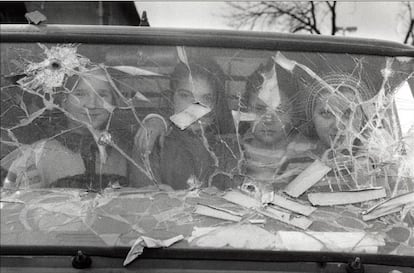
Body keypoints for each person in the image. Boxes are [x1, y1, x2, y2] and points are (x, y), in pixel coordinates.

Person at [1, 67, 130, 191]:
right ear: (63, 100)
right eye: (80, 94)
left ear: (113, 102)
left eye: (102, 95)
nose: (92, 104)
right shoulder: (37, 156)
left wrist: (150, 119)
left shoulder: (125, 154)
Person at [131, 60, 239, 190]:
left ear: (216, 104)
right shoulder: (154, 142)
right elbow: (145, 200)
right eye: (185, 96)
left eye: (206, 99)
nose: (194, 107)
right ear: (172, 98)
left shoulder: (227, 149)